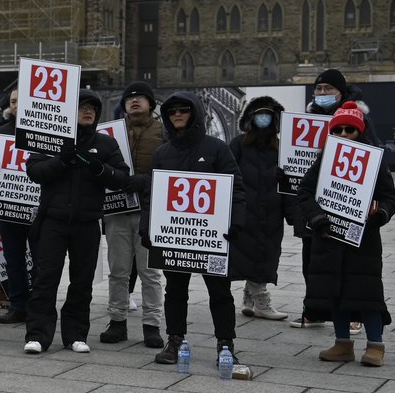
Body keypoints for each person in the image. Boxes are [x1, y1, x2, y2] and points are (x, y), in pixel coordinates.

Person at [142, 93, 247, 367]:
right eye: (172, 111)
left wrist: (235, 222)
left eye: (184, 110)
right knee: (175, 291)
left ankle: (225, 343)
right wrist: (147, 227)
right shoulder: (162, 153)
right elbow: (151, 195)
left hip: (211, 237)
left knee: (220, 292)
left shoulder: (217, 149)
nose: (177, 114)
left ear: (195, 113)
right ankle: (175, 340)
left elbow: (236, 187)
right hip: (175, 237)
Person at [23, 90, 129, 355]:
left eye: (93, 107)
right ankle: (38, 335)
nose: (88, 110)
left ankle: (76, 335)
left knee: (82, 282)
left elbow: (122, 178)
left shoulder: (106, 144)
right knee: (45, 279)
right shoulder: (50, 139)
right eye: (82, 106)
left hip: (87, 223)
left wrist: (100, 169)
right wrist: (62, 161)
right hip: (53, 221)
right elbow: (34, 171)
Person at [296, 102, 395, 366]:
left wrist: (379, 213)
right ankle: (342, 344)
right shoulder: (324, 159)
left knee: (367, 293)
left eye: (349, 130)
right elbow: (305, 192)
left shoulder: (375, 160)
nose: (343, 134)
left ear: (360, 132)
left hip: (363, 241)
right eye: (337, 130)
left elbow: (389, 198)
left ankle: (376, 345)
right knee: (335, 293)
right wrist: (318, 219)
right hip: (329, 237)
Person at [99, 81, 166, 348]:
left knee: (150, 272)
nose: (134, 101)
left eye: (140, 98)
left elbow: (171, 168)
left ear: (151, 103)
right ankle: (117, 321)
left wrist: (146, 181)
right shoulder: (110, 132)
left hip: (150, 209)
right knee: (118, 270)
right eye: (129, 99)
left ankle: (152, 325)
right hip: (117, 209)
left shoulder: (163, 131)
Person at [229, 96, 291, 322]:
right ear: (250, 118)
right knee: (250, 252)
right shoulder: (238, 144)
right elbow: (227, 173)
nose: (263, 118)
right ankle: (261, 300)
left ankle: (250, 297)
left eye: (268, 115)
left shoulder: (282, 147)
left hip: (272, 211)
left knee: (267, 252)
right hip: (246, 210)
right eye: (259, 114)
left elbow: (292, 181)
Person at [0, 88, 34, 329]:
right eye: (13, 101)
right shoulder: (3, 131)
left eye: (21, 100)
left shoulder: (43, 132)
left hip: (36, 208)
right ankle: (18, 305)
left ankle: (38, 306)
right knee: (13, 259)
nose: (17, 104)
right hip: (8, 206)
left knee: (41, 260)